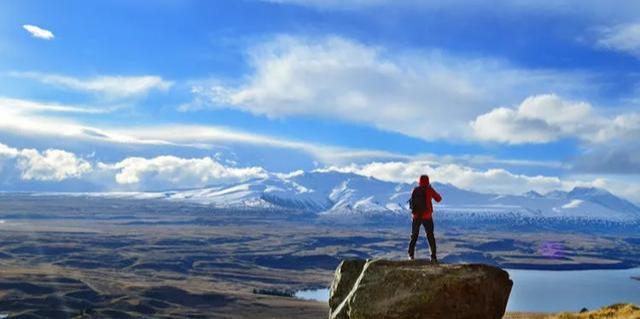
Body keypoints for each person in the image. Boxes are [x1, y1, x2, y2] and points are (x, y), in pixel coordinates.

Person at [408, 174, 442, 262]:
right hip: (427, 216)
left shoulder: (415, 190)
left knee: (414, 236)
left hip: (416, 216)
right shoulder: (429, 190)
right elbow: (439, 199)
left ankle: (410, 256)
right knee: (430, 236)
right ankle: (433, 257)